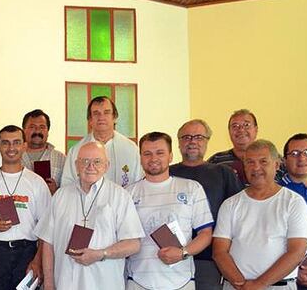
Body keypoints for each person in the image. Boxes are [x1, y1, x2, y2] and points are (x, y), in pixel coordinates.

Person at [36, 141, 143, 290]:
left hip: (105, 284)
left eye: (97, 161)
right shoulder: (61, 195)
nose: (90, 166)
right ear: (76, 165)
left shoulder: (120, 196)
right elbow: (48, 242)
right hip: (65, 283)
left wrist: (101, 254)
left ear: (107, 166)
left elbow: (133, 244)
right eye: (85, 161)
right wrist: (48, 284)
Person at [213, 140, 307, 290]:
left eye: (263, 161)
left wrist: (259, 284)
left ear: (277, 165)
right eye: (250, 162)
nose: (256, 168)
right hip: (236, 285)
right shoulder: (230, 204)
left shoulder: (294, 202)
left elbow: (296, 252)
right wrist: (242, 285)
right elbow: (219, 251)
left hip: (279, 286)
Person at [125, 132, 213, 290]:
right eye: (147, 154)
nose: (153, 159)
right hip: (138, 281)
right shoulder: (128, 193)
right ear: (140, 158)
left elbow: (206, 234)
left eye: (160, 153)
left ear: (171, 156)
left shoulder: (192, 188)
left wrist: (182, 253)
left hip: (182, 281)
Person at [0, 125, 51, 289]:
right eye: (6, 143)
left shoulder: (37, 182)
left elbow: (46, 228)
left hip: (27, 253)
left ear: (24, 145)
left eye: (16, 142)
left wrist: (38, 261)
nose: (11, 148)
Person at [169, 119, 243, 289]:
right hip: (170, 258)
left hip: (209, 259)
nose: (193, 141)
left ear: (207, 141)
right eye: (186, 137)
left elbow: (238, 215)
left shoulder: (223, 173)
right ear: (179, 142)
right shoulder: (168, 173)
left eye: (199, 137)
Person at [62, 96, 143, 187]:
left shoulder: (131, 149)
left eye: (106, 112)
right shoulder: (76, 151)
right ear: (90, 120)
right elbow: (67, 185)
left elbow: (139, 184)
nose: (101, 117)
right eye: (96, 113)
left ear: (114, 117)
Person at [278, 133, 307, 290]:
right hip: (281, 279)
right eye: (295, 154)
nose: (302, 158)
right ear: (284, 160)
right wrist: (293, 269)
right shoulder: (273, 193)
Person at [21, 109, 66, 194]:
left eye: (42, 127)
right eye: (32, 127)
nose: (37, 131)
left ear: (48, 131)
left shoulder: (61, 158)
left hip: (51, 206)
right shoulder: (14, 156)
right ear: (23, 130)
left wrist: (56, 191)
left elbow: (69, 191)